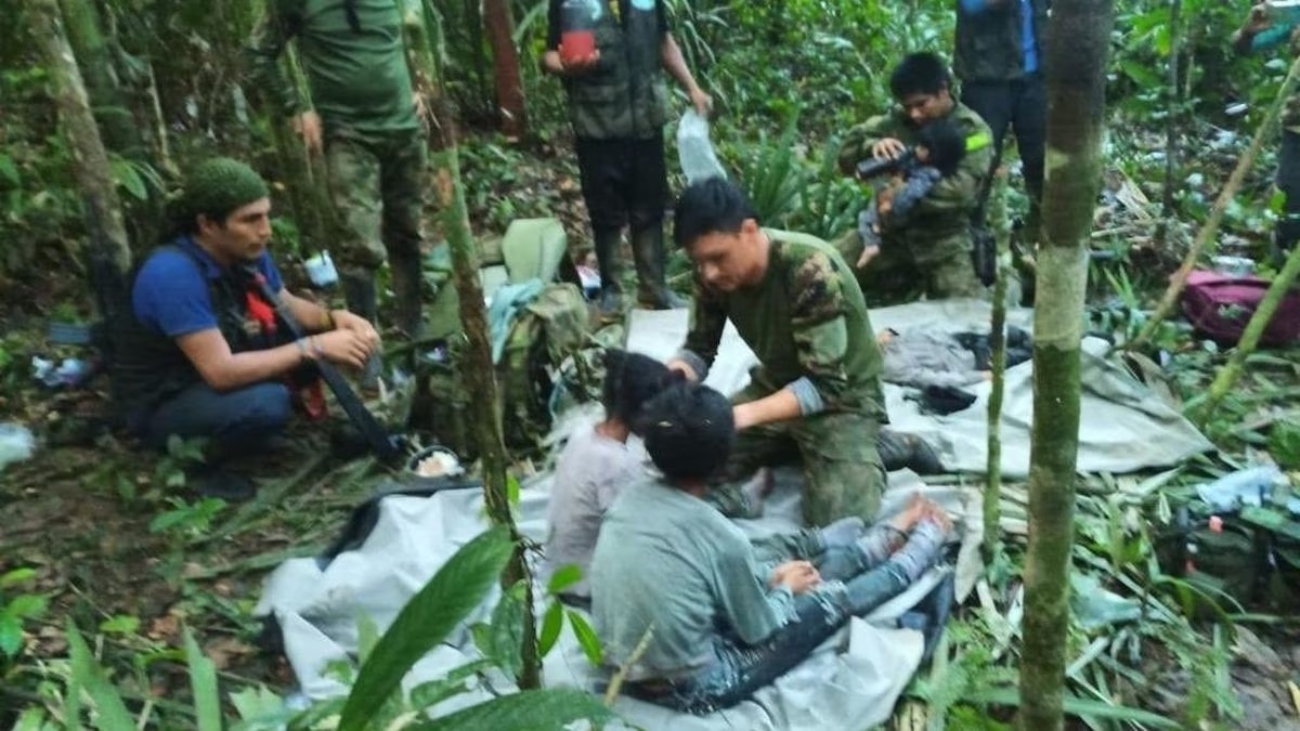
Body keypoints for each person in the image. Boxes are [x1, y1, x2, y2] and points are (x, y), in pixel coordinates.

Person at [590, 382, 950, 714]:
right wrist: (782, 592)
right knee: (829, 600)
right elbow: (758, 631)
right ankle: (919, 546)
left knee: (792, 569)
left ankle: (883, 539)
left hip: (630, 669)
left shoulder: (627, 502)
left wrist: (772, 580)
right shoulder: (720, 536)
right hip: (695, 685)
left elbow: (695, 574)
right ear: (723, 458)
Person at [667, 178, 937, 526]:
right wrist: (674, 376)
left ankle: (886, 448)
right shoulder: (712, 273)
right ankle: (796, 446)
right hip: (777, 384)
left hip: (843, 398)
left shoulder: (808, 268)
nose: (709, 272)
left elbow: (825, 386)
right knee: (685, 457)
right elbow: (699, 347)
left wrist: (738, 417)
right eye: (699, 261)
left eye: (718, 258)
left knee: (840, 521)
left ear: (749, 230)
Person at [112, 158, 381, 500]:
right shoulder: (172, 274)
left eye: (266, 215)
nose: (265, 229)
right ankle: (193, 463)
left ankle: (244, 428)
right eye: (250, 220)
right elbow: (220, 372)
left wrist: (334, 319)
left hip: (214, 363)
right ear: (207, 224)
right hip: (166, 398)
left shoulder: (245, 250)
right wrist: (316, 346)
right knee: (267, 403)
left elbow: (284, 304)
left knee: (298, 342)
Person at [545, 350, 874, 606]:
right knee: (725, 547)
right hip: (590, 583)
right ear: (643, 413)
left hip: (569, 568)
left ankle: (746, 501)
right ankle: (804, 543)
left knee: (693, 507)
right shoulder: (617, 468)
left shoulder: (585, 435)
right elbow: (655, 528)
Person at [247, 0, 429, 386]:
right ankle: (366, 351)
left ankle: (415, 333)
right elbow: (257, 54)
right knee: (359, 244)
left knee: (407, 232)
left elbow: (417, 32)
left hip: (403, 128)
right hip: (348, 134)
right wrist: (297, 110)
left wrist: (421, 83)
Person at [542, 0, 711, 317]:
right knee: (605, 213)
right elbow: (549, 53)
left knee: (649, 207)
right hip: (597, 123)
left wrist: (692, 87)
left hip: (645, 120)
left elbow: (663, 40)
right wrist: (568, 65)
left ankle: (654, 288)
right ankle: (613, 292)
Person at [837, 52, 994, 303]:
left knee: (967, 318)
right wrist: (872, 146)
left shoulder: (971, 130)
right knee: (822, 273)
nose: (915, 114)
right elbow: (845, 158)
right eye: (908, 106)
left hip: (943, 242)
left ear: (943, 90)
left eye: (922, 104)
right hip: (889, 235)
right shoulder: (897, 119)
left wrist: (899, 193)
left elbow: (960, 192)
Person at [954, 0, 1049, 239]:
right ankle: (970, 234)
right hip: (986, 82)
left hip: (1035, 78)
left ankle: (1040, 232)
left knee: (1041, 156)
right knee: (979, 157)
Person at [1233, 4, 1300, 265]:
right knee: (1291, 213)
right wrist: (1248, 32)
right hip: (1297, 126)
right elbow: (1243, 47)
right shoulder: (1294, 12)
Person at [857, 118, 968, 269]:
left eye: (923, 148)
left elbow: (910, 195)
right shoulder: (918, 160)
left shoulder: (928, 174)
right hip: (891, 206)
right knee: (870, 213)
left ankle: (871, 245)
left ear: (934, 154)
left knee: (866, 218)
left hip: (899, 213)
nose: (917, 149)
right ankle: (873, 236)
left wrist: (891, 205)